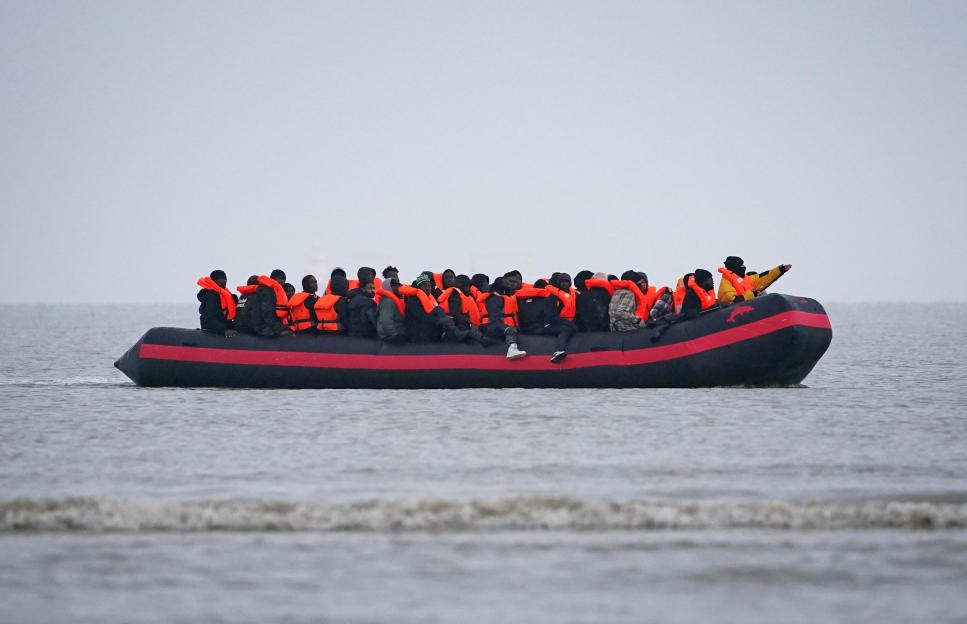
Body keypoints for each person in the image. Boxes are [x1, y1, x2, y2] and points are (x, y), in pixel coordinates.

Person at [478, 277, 527, 360]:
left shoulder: (502, 298)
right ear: (500, 287)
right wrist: (506, 329)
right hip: (490, 327)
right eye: (507, 284)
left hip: (497, 326)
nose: (510, 286)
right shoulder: (494, 299)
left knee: (512, 329)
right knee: (511, 330)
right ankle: (512, 349)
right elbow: (494, 318)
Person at [717, 256, 793, 305]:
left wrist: (780, 269)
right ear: (735, 267)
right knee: (759, 293)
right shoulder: (726, 282)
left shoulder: (747, 279)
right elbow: (731, 300)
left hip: (749, 308)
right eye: (742, 265)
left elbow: (764, 277)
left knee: (761, 292)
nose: (744, 267)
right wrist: (752, 294)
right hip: (738, 312)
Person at [402, 274, 451, 341]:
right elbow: (421, 316)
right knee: (437, 309)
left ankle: (451, 330)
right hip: (416, 334)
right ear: (419, 288)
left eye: (429, 286)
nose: (428, 288)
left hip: (424, 329)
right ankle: (453, 331)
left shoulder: (429, 299)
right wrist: (440, 321)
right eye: (425, 286)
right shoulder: (413, 301)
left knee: (438, 309)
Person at [543, 273, 576, 363]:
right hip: (549, 325)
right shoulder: (553, 298)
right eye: (562, 282)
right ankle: (558, 350)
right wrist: (568, 323)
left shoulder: (571, 297)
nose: (565, 284)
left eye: (567, 282)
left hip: (564, 323)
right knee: (565, 329)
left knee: (572, 328)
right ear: (558, 283)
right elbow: (551, 317)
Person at [251, 269, 292, 337]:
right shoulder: (269, 291)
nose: (282, 281)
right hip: (264, 329)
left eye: (283, 279)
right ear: (273, 279)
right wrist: (281, 328)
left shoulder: (267, 290)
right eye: (279, 278)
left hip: (262, 327)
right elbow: (267, 313)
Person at [197, 270, 237, 336]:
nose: (224, 281)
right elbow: (209, 318)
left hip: (222, 327)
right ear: (214, 281)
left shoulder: (223, 294)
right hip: (212, 330)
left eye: (225, 279)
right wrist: (224, 330)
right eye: (220, 279)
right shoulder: (211, 296)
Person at [376, 278, 407, 343]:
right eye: (393, 286)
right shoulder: (388, 301)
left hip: (395, 335)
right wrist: (395, 335)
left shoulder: (393, 301)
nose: (398, 288)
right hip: (390, 338)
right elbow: (385, 321)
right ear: (388, 288)